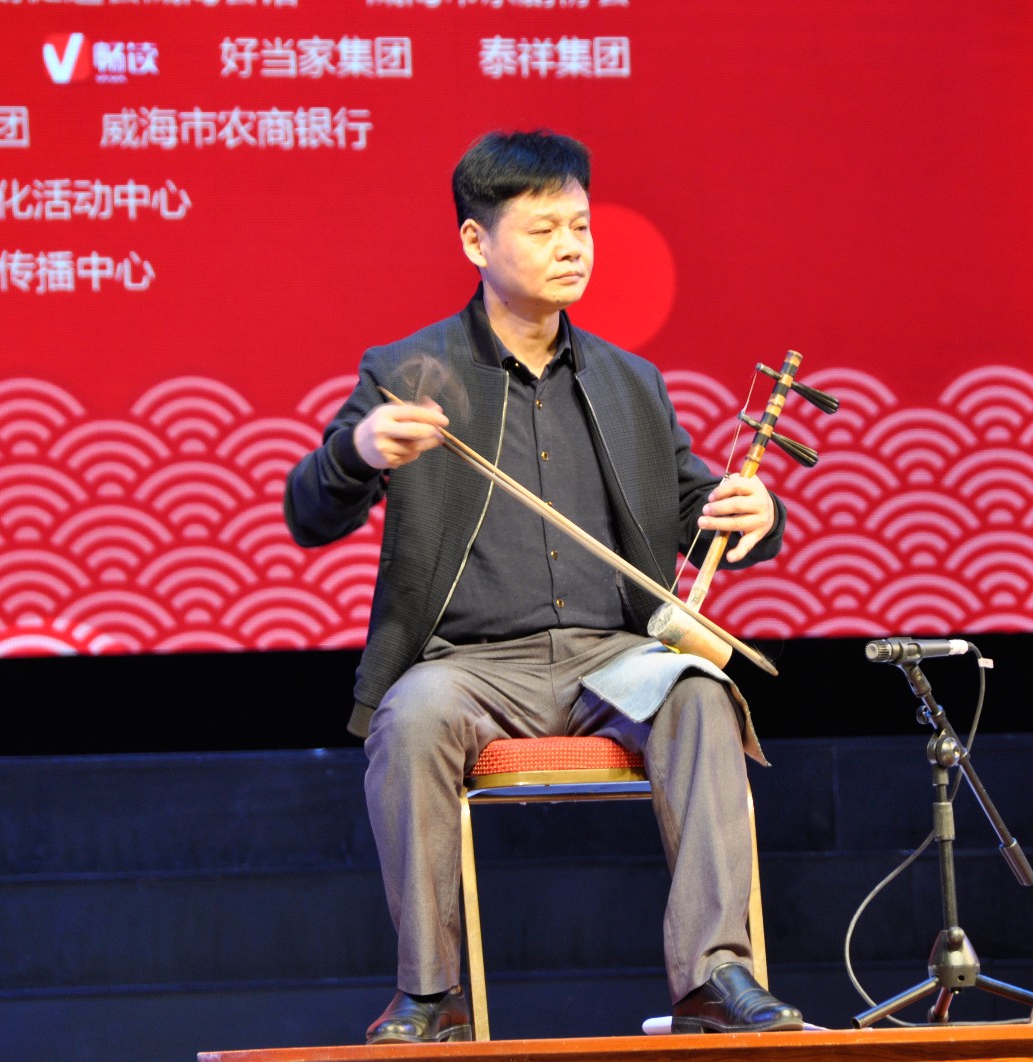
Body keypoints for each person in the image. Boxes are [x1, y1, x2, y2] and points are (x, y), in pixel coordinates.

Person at [284, 129, 804, 1043]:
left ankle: (715, 975)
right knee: (412, 718)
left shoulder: (630, 382)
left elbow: (701, 513)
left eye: (581, 226)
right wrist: (355, 452)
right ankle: (431, 995)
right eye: (543, 229)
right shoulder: (408, 370)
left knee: (701, 695)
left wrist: (757, 513)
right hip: (471, 666)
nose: (572, 248)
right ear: (475, 242)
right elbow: (309, 514)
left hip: (615, 660)